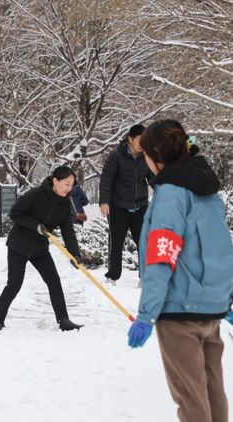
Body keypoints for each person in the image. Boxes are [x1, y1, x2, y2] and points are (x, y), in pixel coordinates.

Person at [127, 120, 232, 422]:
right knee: (212, 392)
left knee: (191, 399)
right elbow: (219, 247)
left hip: (179, 313)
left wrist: (147, 315)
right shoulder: (207, 191)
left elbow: (162, 255)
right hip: (209, 312)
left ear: (154, 156)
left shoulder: (170, 194)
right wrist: (223, 298)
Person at [0, 166, 84, 332]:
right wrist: (36, 226)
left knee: (54, 281)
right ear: (55, 181)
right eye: (66, 184)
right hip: (18, 244)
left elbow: (68, 231)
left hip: (39, 248)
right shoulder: (36, 194)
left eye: (71, 185)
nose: (69, 188)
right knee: (14, 284)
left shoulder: (65, 204)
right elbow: (15, 213)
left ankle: (63, 320)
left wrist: (74, 253)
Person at [99, 124, 153, 285]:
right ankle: (112, 276)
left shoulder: (147, 157)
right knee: (116, 243)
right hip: (118, 207)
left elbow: (154, 179)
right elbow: (106, 179)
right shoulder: (116, 155)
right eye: (139, 140)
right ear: (130, 139)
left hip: (140, 206)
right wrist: (104, 202)